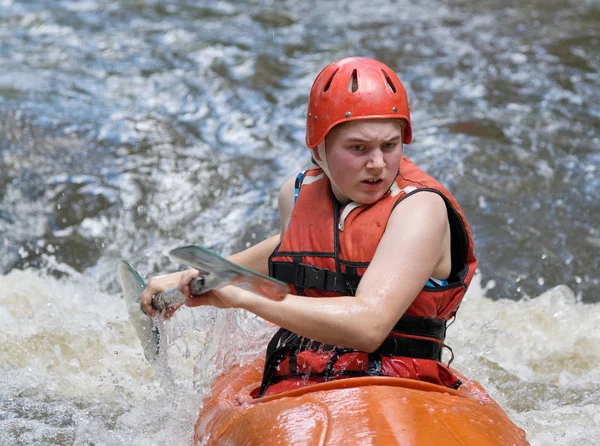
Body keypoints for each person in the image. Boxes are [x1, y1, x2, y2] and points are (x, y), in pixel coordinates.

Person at [141, 57, 477, 398]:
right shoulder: (298, 193)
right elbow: (297, 249)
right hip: (304, 375)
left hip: (404, 383)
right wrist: (215, 273)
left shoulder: (420, 208)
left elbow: (369, 325)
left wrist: (242, 297)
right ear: (318, 149)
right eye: (358, 148)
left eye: (389, 146)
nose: (377, 163)